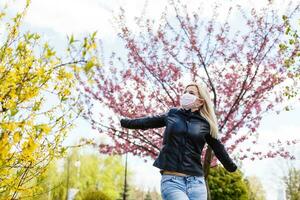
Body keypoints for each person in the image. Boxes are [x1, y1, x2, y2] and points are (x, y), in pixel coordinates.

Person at [120, 81, 237, 200]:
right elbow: (147, 122)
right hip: (172, 181)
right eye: (185, 92)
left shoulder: (206, 124)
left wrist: (231, 167)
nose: (186, 95)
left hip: (197, 183)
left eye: (191, 93)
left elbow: (218, 148)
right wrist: (124, 122)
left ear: (200, 101)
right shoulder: (172, 114)